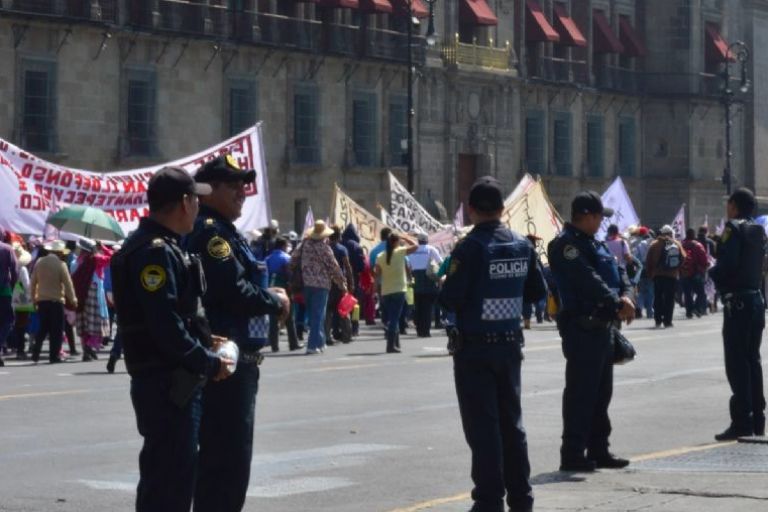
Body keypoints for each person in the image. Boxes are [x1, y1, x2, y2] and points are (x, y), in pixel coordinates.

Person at [111, 166, 232, 512]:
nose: (199, 206)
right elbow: (164, 326)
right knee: (169, 484)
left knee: (169, 477)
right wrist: (208, 362)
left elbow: (177, 316)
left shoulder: (159, 247)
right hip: (167, 384)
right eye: (196, 199)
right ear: (184, 202)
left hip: (167, 382)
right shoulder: (155, 252)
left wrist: (205, 339)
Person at [185, 155, 290, 512]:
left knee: (228, 457)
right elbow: (230, 289)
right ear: (208, 190)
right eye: (233, 186)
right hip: (225, 359)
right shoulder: (212, 233)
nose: (242, 193)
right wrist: (274, 302)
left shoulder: (225, 232)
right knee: (227, 458)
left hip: (236, 357)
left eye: (244, 186)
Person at [440, 176, 546, 512]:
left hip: (475, 348)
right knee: (512, 424)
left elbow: (450, 297)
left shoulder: (469, 248)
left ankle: (488, 500)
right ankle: (522, 498)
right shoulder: (521, 245)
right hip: (509, 344)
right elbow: (537, 292)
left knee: (482, 426)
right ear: (503, 209)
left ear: (471, 210)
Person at [548, 191, 635, 473]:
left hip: (604, 328)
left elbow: (620, 273)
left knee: (601, 393)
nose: (600, 222)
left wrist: (628, 296)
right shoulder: (565, 246)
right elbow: (587, 280)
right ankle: (572, 452)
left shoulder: (594, 243)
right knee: (580, 393)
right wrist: (616, 301)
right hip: (582, 327)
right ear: (586, 215)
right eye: (598, 216)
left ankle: (599, 449)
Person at [709, 187, 766, 440]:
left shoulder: (733, 229)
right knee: (752, 361)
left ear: (733, 206)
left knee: (736, 363)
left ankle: (742, 420)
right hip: (755, 300)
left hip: (737, 304)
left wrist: (713, 273)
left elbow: (727, 265)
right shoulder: (758, 230)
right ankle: (758, 417)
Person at [290, 221, 347, 355]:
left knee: (314, 314)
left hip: (306, 284)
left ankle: (320, 342)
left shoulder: (303, 244)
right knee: (318, 315)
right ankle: (312, 345)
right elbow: (334, 267)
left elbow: (292, 260)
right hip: (322, 285)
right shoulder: (325, 248)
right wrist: (342, 283)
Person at [29, 241, 77, 364]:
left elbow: (33, 282)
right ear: (59, 252)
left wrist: (33, 299)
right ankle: (54, 356)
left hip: (42, 301)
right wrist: (73, 299)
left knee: (43, 328)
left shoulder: (39, 263)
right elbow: (68, 284)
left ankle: (35, 354)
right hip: (56, 302)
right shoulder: (61, 265)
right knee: (56, 330)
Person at [375, 232, 418, 353]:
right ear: (395, 242)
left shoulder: (380, 256)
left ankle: (396, 342)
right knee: (394, 318)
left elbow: (377, 275)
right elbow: (416, 246)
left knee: (392, 316)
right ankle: (390, 345)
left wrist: (375, 288)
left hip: (386, 290)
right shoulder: (400, 252)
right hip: (399, 289)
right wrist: (406, 237)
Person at [71, 239, 112, 361]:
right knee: (94, 323)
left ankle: (86, 349)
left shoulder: (75, 262)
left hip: (79, 294)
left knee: (84, 323)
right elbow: (111, 257)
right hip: (93, 293)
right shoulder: (96, 259)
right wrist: (103, 247)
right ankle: (89, 348)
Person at [266, 237, 303, 352]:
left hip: (270, 289)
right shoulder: (286, 258)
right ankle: (293, 343)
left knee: (273, 318)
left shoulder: (267, 258)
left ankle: (274, 345)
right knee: (289, 317)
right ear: (283, 246)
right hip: (283, 289)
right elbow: (290, 274)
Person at [645, 225, 686, 328]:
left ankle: (658, 320)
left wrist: (650, 274)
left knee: (658, 298)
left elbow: (648, 261)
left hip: (658, 276)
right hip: (672, 276)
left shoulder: (654, 244)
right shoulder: (676, 243)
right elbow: (683, 257)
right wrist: (676, 268)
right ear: (671, 234)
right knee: (669, 299)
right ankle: (668, 321)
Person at [410, 233, 443, 337]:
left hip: (415, 278)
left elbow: (408, 264)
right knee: (427, 307)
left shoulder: (412, 249)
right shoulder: (431, 249)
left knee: (417, 305)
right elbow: (441, 262)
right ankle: (425, 330)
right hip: (428, 279)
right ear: (427, 240)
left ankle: (419, 329)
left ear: (418, 240)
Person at [326, 226, 355, 345]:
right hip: (340, 283)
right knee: (344, 309)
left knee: (327, 312)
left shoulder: (325, 248)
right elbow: (347, 267)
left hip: (327, 282)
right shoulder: (342, 249)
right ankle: (347, 335)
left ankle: (327, 336)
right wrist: (351, 283)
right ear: (339, 236)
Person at [341, 224, 366, 336]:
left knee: (341, 302)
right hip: (354, 278)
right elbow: (361, 266)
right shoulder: (357, 246)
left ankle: (342, 327)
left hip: (340, 277)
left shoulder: (339, 244)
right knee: (355, 304)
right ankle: (355, 326)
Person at [11, 243, 33, 360]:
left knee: (14, 324)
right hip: (22, 300)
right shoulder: (22, 268)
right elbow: (27, 285)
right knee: (21, 325)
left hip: (11, 298)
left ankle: (14, 347)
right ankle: (20, 350)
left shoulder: (10, 266)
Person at [680, 228, 709, 318]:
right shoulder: (698, 245)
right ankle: (696, 307)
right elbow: (704, 259)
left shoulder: (681, 245)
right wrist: (705, 267)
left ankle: (689, 312)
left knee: (687, 293)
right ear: (693, 235)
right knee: (701, 293)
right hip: (696, 272)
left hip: (684, 272)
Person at [0, 230, 18, 366]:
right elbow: (15, 270)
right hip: (4, 291)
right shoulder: (7, 249)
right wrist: (12, 287)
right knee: (8, 320)